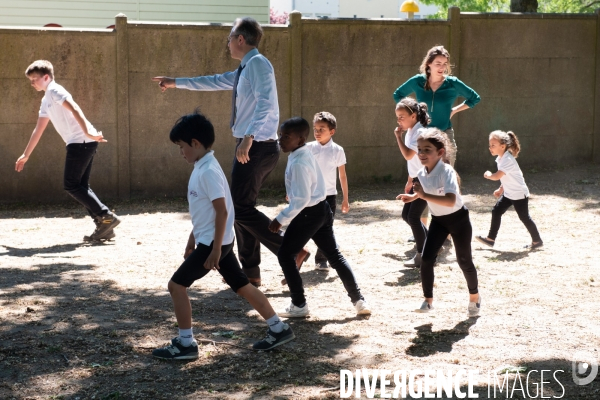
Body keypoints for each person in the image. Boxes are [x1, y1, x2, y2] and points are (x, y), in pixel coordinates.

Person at [152, 17, 308, 287]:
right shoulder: (244, 69)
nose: (226, 43)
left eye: (229, 38)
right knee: (241, 207)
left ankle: (291, 250)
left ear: (240, 39)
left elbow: (267, 104)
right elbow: (212, 81)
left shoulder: (258, 64)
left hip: (257, 145)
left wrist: (248, 138)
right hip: (251, 144)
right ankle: (251, 271)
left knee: (239, 207)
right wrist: (176, 82)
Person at [152, 111, 294, 359]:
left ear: (195, 143)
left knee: (176, 286)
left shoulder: (207, 171)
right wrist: (191, 239)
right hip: (215, 241)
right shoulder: (202, 165)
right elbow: (203, 212)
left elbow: (222, 211)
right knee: (242, 286)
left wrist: (215, 249)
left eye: (181, 146)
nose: (180, 152)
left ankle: (186, 344)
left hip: (214, 245)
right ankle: (279, 328)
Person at [269, 117, 371, 318]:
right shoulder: (304, 151)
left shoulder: (299, 160)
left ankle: (299, 304)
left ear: (300, 140)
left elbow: (302, 199)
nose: (281, 140)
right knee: (334, 255)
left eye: (286, 137)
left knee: (285, 255)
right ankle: (359, 301)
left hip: (308, 213)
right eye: (281, 135)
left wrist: (281, 218)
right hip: (322, 209)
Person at [15, 60, 120, 242]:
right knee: (80, 186)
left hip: (81, 141)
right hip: (82, 141)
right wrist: (26, 154)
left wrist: (87, 132)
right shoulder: (46, 98)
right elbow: (38, 129)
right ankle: (105, 226)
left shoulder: (55, 90)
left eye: (34, 79)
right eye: (30, 80)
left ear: (46, 77)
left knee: (71, 185)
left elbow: (75, 108)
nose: (32, 83)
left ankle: (106, 216)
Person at [398, 128, 480, 317]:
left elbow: (451, 200)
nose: (421, 154)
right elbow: (423, 195)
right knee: (426, 259)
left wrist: (424, 195)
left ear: (440, 152)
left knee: (464, 260)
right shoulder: (421, 172)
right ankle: (428, 301)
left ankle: (474, 298)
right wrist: (411, 198)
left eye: (427, 150)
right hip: (439, 222)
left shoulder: (446, 171)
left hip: (458, 221)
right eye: (419, 149)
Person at [393, 45, 480, 167]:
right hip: (422, 135)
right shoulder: (418, 81)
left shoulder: (453, 83)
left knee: (446, 175)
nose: (442, 67)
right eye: (438, 63)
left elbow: (474, 98)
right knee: (424, 178)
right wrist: (412, 113)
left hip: (445, 134)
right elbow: (398, 94)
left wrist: (454, 110)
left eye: (445, 64)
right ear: (429, 63)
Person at [476, 130, 543, 249]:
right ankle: (490, 239)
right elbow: (506, 177)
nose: (490, 148)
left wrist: (488, 175)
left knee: (524, 217)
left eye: (493, 145)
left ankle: (537, 241)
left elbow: (497, 176)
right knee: (496, 211)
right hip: (509, 193)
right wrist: (501, 189)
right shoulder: (501, 159)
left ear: (503, 146)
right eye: (489, 145)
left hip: (518, 194)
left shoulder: (507, 160)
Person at [306, 111, 349, 270]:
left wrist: (345, 199)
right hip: (310, 196)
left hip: (329, 196)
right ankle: (301, 251)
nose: (317, 132)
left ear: (332, 131)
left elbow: (342, 176)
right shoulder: (308, 148)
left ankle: (321, 259)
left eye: (321, 129)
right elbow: (301, 171)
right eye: (315, 129)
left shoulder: (337, 150)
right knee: (307, 226)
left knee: (326, 228)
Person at [393, 98, 430, 267]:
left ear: (413, 116)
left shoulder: (419, 133)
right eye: (397, 117)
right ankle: (431, 243)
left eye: (402, 116)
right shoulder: (410, 131)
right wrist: (409, 180)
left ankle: (423, 255)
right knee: (406, 215)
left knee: (414, 217)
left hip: (426, 179)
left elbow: (408, 155)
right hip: (417, 178)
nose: (399, 120)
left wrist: (397, 137)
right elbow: (413, 161)